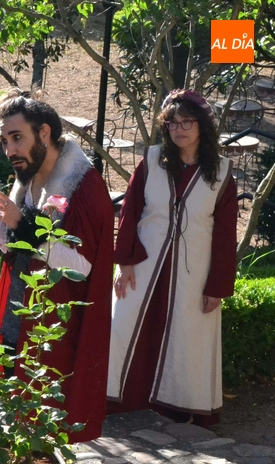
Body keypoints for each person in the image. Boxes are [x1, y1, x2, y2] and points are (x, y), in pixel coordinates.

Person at [0, 90, 115, 443]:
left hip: (55, 328)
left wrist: (25, 225)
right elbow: (10, 243)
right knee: (17, 425)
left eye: (17, 137)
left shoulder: (85, 187)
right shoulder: (26, 178)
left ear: (43, 133)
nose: (9, 150)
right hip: (19, 318)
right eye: (5, 140)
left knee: (45, 428)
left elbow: (81, 267)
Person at [107, 90, 237, 426]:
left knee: (186, 336)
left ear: (201, 126)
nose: (179, 129)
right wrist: (124, 263)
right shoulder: (151, 161)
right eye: (172, 123)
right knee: (124, 326)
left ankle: (176, 407)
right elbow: (130, 211)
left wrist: (217, 286)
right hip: (144, 264)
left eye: (186, 122)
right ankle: (119, 403)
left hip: (194, 273)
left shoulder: (221, 173)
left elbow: (224, 236)